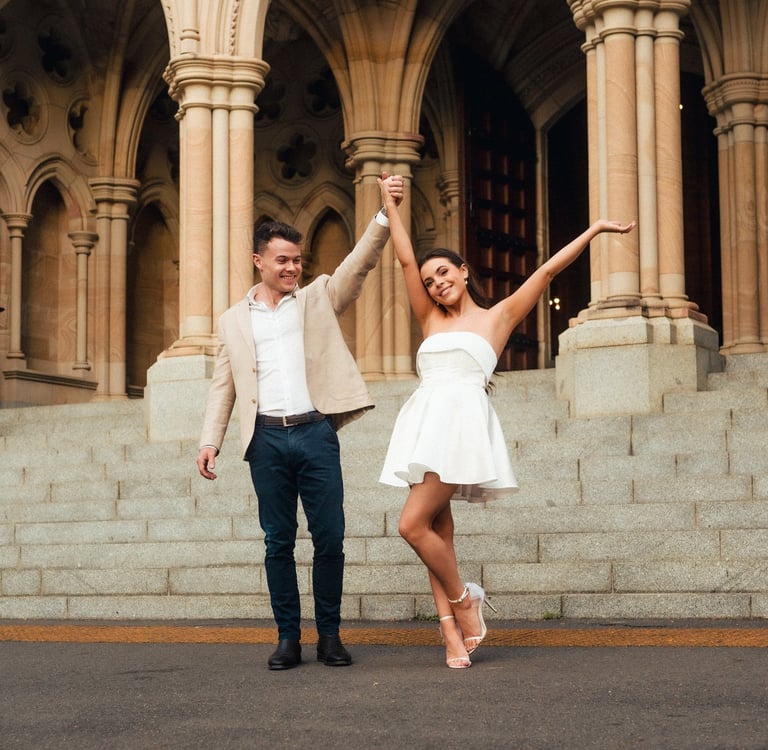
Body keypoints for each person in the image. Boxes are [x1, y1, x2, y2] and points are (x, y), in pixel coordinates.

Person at [377, 175, 636, 669]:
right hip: (425, 422)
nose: (436, 283)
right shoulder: (429, 320)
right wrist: (389, 205)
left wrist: (596, 229)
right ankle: (453, 637)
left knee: (412, 525)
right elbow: (405, 259)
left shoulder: (497, 318)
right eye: (430, 280)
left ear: (464, 270)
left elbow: (546, 272)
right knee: (437, 533)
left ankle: (465, 600)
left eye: (443, 273)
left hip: (461, 426)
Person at [196, 173, 404, 670]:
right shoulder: (232, 320)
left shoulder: (315, 298)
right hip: (265, 439)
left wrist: (383, 213)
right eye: (283, 260)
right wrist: (210, 441)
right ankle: (288, 637)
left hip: (314, 432)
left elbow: (358, 266)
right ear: (259, 261)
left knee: (330, 536)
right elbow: (223, 384)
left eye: (297, 260)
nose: (292, 267)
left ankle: (329, 636)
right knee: (278, 542)